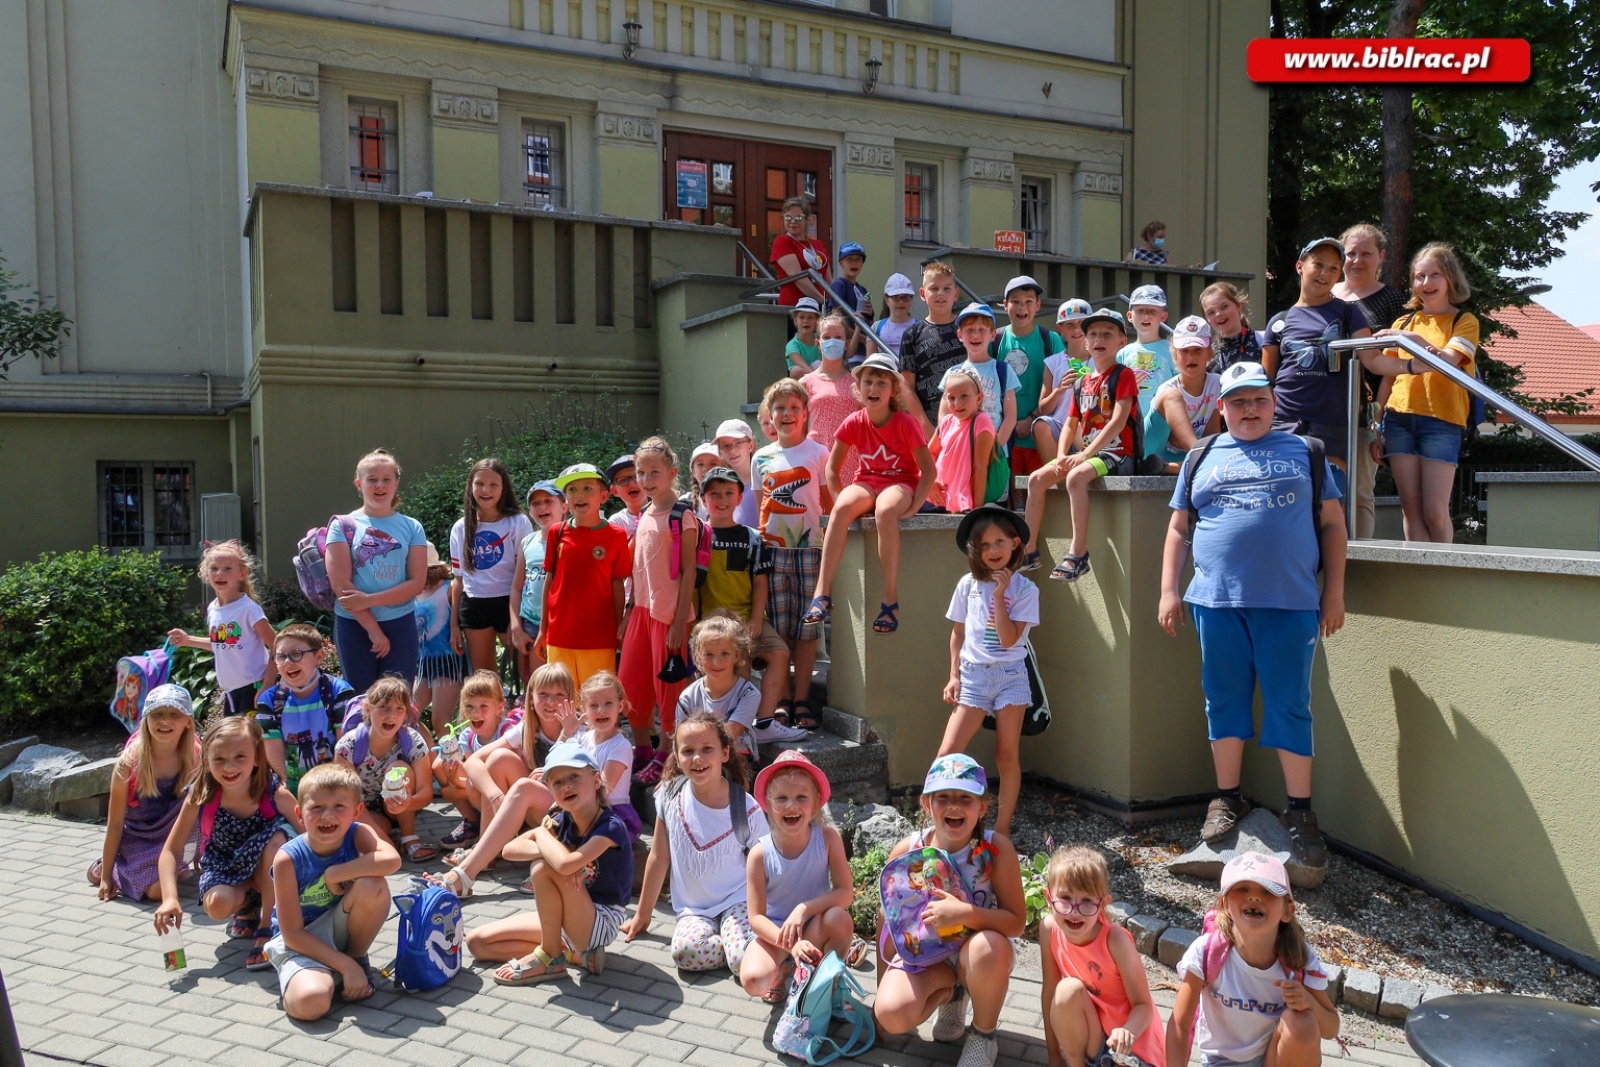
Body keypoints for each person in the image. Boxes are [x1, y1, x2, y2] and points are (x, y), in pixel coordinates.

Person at [1158, 361, 1348, 868]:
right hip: (1214, 603)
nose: (1250, 409)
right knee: (1223, 702)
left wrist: (1334, 594)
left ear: (1273, 404)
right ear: (1222, 408)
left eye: (1259, 400)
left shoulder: (1306, 453)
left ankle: (1301, 813)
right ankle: (1227, 798)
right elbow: (1179, 530)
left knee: (1290, 704)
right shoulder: (1203, 455)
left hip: (1290, 603)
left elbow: (1332, 525)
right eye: (1239, 401)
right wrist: (1168, 592)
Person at [874, 754, 1026, 1067]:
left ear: (982, 807)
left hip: (982, 953)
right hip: (929, 955)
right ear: (926, 804)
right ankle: (954, 994)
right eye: (943, 797)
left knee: (987, 949)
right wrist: (879, 989)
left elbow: (1016, 923)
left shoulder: (996, 851)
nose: (954, 806)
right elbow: (886, 922)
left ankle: (983, 1036)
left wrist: (965, 913)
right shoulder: (908, 851)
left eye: (965, 798)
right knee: (891, 1013)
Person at [464, 741, 635, 984]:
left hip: (600, 921)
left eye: (574, 776)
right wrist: (548, 846)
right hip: (566, 913)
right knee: (478, 943)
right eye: (556, 782)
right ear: (551, 792)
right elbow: (509, 850)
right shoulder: (560, 821)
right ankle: (573, 955)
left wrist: (539, 835)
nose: (566, 785)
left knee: (544, 867)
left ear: (596, 780)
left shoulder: (610, 826)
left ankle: (551, 956)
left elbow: (565, 865)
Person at [1262, 237, 1416, 501]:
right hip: (1284, 422)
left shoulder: (1347, 313)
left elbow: (1373, 360)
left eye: (1334, 268)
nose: (1325, 273)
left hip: (1331, 424)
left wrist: (1412, 365)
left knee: (1331, 503)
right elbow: (1266, 380)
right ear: (1300, 266)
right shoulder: (1279, 321)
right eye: (1318, 264)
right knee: (1284, 500)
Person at [622, 713, 771, 973]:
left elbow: (768, 866)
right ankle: (736, 945)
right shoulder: (669, 797)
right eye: (688, 751)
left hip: (738, 901)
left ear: (725, 753)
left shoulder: (745, 808)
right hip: (694, 910)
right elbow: (658, 857)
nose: (697, 758)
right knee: (686, 954)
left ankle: (741, 947)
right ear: (677, 758)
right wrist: (642, 916)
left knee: (742, 962)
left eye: (707, 749)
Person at [804, 353, 936, 636]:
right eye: (867, 382)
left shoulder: (905, 423)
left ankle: (890, 596)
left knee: (885, 511)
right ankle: (823, 592)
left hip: (900, 483)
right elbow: (831, 468)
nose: (873, 389)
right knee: (840, 510)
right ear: (859, 388)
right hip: (866, 482)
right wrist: (840, 498)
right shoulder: (854, 421)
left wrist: (914, 506)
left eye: (880, 383)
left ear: (893, 390)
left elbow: (928, 470)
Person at [1167, 852, 1337, 1067]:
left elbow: (1331, 1029)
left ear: (1288, 911)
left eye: (1268, 891)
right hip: (1222, 1062)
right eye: (1242, 888)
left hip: (1273, 1059)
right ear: (1224, 905)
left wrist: (1308, 1002)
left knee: (1302, 1023)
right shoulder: (1206, 952)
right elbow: (1180, 1025)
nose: (1254, 897)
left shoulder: (1298, 957)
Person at [154, 716, 296, 971]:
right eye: (219, 759)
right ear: (206, 762)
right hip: (227, 863)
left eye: (239, 757)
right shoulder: (202, 794)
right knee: (216, 906)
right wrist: (170, 899)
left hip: (271, 866)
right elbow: (170, 851)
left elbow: (311, 833)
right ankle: (248, 906)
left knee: (276, 843)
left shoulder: (273, 792)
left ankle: (268, 924)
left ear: (256, 758)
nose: (229, 767)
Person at [263, 763, 400, 1021]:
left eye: (339, 806)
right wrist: (342, 965)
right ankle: (337, 969)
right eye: (316, 807)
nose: (328, 815)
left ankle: (356, 959)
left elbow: (392, 860)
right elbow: (292, 934)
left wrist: (334, 874)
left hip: (338, 927)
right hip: (300, 942)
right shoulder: (287, 859)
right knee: (310, 1003)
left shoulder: (358, 833)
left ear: (357, 811)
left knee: (374, 885)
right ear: (299, 814)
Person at [938, 505, 1039, 837]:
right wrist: (953, 675)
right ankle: (939, 823)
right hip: (974, 677)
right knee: (948, 752)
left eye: (999, 542)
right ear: (975, 551)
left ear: (1014, 544)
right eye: (984, 545)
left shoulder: (1025, 590)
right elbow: (958, 633)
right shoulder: (966, 585)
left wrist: (999, 595)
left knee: (1006, 754)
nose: (993, 551)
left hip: (1011, 677)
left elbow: (1010, 639)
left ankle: (1002, 829)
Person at [1020, 309, 1141, 580]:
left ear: (1122, 340)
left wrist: (1085, 453)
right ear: (1085, 342)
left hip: (1117, 454)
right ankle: (1029, 551)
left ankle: (1078, 553)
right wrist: (1062, 454)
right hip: (1088, 453)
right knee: (1037, 479)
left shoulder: (1123, 375)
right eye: (1093, 334)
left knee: (1075, 478)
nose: (1099, 339)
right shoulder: (1082, 382)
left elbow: (1118, 422)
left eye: (1107, 334)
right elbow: (1071, 422)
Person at [434, 663, 571, 898]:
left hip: (568, 813)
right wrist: (496, 796)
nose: (551, 702)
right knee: (498, 759)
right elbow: (475, 761)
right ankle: (486, 854)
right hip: (540, 809)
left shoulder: (577, 729)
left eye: (559, 695)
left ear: (571, 700)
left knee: (525, 786)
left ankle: (468, 871)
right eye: (544, 695)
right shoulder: (527, 728)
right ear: (530, 698)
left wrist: (551, 776)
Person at [1375, 242, 1480, 544]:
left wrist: (1411, 338)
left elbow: (1447, 359)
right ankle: (1418, 577)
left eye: (1434, 275)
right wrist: (1375, 424)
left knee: (1435, 512)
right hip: (1398, 420)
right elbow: (1388, 378)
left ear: (1450, 278)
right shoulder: (1403, 322)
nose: (1426, 283)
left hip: (1442, 421)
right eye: (1419, 276)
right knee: (1411, 512)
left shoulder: (1464, 322)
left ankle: (1443, 575)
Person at [617, 437, 702, 785]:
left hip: (669, 617)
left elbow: (689, 573)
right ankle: (643, 751)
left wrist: (680, 621)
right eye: (640, 472)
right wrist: (626, 614)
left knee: (668, 691)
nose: (647, 478)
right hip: (640, 613)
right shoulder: (644, 514)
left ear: (672, 473)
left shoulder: (683, 517)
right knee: (631, 687)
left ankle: (667, 755)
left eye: (655, 471)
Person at [740, 750, 854, 1002]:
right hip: (774, 933)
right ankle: (787, 967)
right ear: (768, 805)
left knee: (840, 919)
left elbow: (845, 894)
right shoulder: (759, 854)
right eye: (781, 798)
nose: (791, 805)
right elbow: (756, 917)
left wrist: (803, 908)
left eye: (801, 797)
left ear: (815, 804)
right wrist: (791, 946)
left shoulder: (827, 838)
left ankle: (826, 981)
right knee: (752, 980)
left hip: (813, 926)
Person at [1038, 846, 1165, 1067]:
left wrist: (1128, 1031)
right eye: (1065, 898)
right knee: (1066, 991)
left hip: (1129, 1049)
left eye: (1086, 901)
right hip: (1093, 1040)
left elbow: (1143, 1006)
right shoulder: (1049, 929)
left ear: (1103, 903)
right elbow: (1049, 994)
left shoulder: (1115, 941)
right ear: (1049, 899)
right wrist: (1053, 1056)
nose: (1075, 911)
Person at [752, 380, 832, 729]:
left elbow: (828, 504)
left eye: (793, 408)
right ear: (770, 416)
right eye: (779, 409)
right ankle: (781, 699)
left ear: (805, 413)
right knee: (779, 631)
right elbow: (761, 509)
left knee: (807, 630)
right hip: (773, 554)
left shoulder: (818, 453)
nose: (786, 414)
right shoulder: (761, 457)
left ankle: (802, 701)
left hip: (811, 552)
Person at [695, 465, 797, 733]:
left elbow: (760, 581)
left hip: (749, 617)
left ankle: (763, 724)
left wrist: (755, 618)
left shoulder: (752, 538)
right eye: (714, 494)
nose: (722, 499)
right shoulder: (696, 536)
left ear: (740, 498)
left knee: (779, 652)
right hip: (713, 622)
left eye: (729, 492)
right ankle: (732, 730)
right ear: (702, 499)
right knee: (737, 666)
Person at [325, 448, 428, 692]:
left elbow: (416, 583)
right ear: (359, 484)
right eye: (372, 480)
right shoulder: (341, 525)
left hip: (400, 624)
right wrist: (373, 630)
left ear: (396, 484)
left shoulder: (412, 527)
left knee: (398, 701)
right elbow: (341, 586)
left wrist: (369, 599)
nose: (379, 486)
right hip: (355, 625)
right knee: (361, 702)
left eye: (386, 479)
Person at [1332, 223, 1409, 539]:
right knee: (1322, 488)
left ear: (1382, 257)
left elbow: (1391, 366)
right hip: (1325, 411)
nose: (1357, 261)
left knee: (1361, 491)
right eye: (1351, 253)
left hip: (1367, 411)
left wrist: (1377, 417)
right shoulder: (1326, 295)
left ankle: (1360, 563)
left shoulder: (1393, 301)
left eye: (1366, 253)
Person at [91, 683, 199, 903]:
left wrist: (203, 850)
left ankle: (170, 864)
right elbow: (115, 822)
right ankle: (109, 868)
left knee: (196, 798)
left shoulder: (198, 755)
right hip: (139, 834)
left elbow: (209, 810)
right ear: (146, 720)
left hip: (173, 829)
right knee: (157, 891)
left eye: (174, 714)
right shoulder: (129, 762)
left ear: (188, 722)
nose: (165, 721)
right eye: (157, 714)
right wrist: (105, 878)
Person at [534, 463, 632, 690]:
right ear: (566, 499)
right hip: (560, 636)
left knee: (597, 700)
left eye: (587, 488)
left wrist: (619, 628)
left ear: (604, 496)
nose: (579, 495)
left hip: (599, 638)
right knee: (561, 701)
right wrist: (543, 630)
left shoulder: (616, 536)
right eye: (572, 489)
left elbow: (617, 584)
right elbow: (549, 582)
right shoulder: (555, 532)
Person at [166, 540, 277, 715]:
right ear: (205, 573)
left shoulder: (248, 609)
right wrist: (187, 640)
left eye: (227, 569)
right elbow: (221, 644)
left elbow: (277, 646)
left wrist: (267, 684)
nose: (220, 574)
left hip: (253, 689)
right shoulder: (213, 608)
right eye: (214, 568)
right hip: (231, 693)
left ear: (242, 574)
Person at [334, 676, 436, 863]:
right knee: (380, 835)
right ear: (367, 709)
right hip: (363, 808)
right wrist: (384, 843)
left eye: (399, 709)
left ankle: (409, 837)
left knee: (399, 769)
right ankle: (388, 837)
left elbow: (426, 792)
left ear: (406, 713)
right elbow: (347, 798)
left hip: (403, 806)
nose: (392, 715)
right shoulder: (347, 746)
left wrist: (407, 803)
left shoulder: (413, 741)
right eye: (384, 707)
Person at [448, 458, 533, 675]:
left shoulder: (518, 522)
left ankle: (528, 710)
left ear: (503, 488)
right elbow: (458, 580)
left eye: (493, 484)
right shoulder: (460, 528)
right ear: (471, 486)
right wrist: (454, 624)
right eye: (479, 484)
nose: (486, 490)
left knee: (527, 671)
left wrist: (520, 616)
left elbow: (526, 574)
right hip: (474, 605)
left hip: (510, 603)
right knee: (484, 676)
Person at [255, 624, 353, 794]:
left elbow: (346, 746)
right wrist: (288, 793)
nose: (288, 663)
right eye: (280, 657)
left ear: (319, 656)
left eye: (296, 654)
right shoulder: (270, 700)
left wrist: (335, 791)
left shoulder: (338, 691)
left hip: (335, 785)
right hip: (293, 791)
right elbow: (273, 752)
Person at [432, 668, 514, 849]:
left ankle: (497, 832)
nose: (476, 713)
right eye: (469, 706)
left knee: (472, 782)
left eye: (483, 706)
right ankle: (473, 824)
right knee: (439, 765)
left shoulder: (507, 731)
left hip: (505, 791)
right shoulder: (467, 736)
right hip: (481, 789)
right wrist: (452, 776)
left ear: (499, 707)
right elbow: (472, 780)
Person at [940, 303, 1017, 483]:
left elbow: (1010, 416)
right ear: (960, 335)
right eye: (969, 330)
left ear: (992, 335)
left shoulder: (1002, 370)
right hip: (960, 454)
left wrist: (994, 448)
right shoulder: (952, 373)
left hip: (994, 455)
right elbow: (944, 418)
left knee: (992, 504)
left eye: (981, 330)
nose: (975, 335)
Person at [676, 613, 764, 765]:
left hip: (737, 759)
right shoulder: (687, 697)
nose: (717, 662)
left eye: (725, 653)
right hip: (699, 759)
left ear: (737, 655)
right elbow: (682, 739)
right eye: (709, 654)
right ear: (697, 657)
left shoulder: (748, 694)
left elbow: (729, 735)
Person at [566, 670, 642, 840]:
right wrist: (566, 732)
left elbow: (604, 789)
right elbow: (558, 764)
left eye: (608, 703)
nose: (601, 710)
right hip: (584, 806)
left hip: (612, 814)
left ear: (620, 706)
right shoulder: (582, 738)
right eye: (593, 705)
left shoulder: (620, 745)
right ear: (583, 709)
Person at [992, 276, 1065, 455]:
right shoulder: (994, 340)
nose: (1022, 307)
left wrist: (1032, 418)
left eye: (1028, 302)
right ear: (1004, 304)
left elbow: (1061, 388)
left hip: (1041, 440)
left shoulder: (1050, 340)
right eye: (1015, 302)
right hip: (1002, 439)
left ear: (1038, 305)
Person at [1145, 315, 1223, 472]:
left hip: (1180, 456)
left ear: (1209, 353)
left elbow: (1211, 431)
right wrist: (1204, 454)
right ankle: (1199, 458)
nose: (1191, 357)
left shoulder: (1217, 383)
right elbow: (1173, 439)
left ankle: (1169, 468)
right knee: (1170, 395)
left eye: (1198, 350)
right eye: (1184, 351)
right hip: (1150, 449)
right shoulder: (1168, 389)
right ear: (1175, 356)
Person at [509, 479, 569, 685]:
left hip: (565, 626)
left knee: (567, 685)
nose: (542, 507)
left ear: (564, 506)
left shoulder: (573, 541)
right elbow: (516, 588)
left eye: (547, 501)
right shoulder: (528, 542)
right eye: (535, 503)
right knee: (538, 687)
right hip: (532, 626)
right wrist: (516, 627)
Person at [899, 261, 967, 440]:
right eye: (934, 288)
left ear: (956, 294)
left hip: (966, 426)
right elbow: (907, 387)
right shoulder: (911, 335)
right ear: (922, 294)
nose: (940, 294)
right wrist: (925, 427)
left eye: (946, 289)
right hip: (928, 430)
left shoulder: (968, 330)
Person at [801, 310, 863, 487]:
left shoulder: (857, 382)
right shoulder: (805, 382)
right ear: (818, 343)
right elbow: (800, 428)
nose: (832, 341)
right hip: (815, 457)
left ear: (846, 344)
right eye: (827, 337)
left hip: (851, 459)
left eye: (838, 337)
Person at [414, 543, 467, 735]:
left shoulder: (449, 588)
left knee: (440, 720)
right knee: (408, 717)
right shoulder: (414, 592)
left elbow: (459, 623)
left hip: (447, 661)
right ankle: (425, 755)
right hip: (424, 663)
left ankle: (452, 761)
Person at [929, 366, 997, 512]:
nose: (957, 403)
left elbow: (980, 467)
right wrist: (930, 482)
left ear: (979, 398)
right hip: (937, 497)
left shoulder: (981, 421)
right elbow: (929, 453)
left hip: (962, 501)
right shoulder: (946, 421)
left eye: (964, 396)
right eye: (951, 398)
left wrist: (977, 510)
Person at [1032, 299, 1093, 459]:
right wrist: (1059, 390)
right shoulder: (1053, 362)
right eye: (1069, 325)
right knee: (1040, 425)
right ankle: (1056, 475)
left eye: (1081, 323)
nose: (1076, 329)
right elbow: (1043, 409)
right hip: (1060, 428)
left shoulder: (1102, 358)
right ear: (1061, 329)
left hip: (1092, 428)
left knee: (1080, 424)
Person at [1117, 285, 1175, 420]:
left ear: (1164, 316)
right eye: (1140, 310)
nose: (1146, 315)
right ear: (1130, 316)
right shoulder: (1122, 354)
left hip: (1162, 421)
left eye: (1152, 311)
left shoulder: (1172, 350)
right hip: (1130, 421)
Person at [769, 195, 831, 308]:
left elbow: (828, 280)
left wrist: (836, 300)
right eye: (788, 218)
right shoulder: (782, 242)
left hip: (821, 307)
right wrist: (824, 301)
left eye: (798, 218)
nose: (793, 221)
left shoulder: (818, 244)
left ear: (807, 219)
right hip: (796, 307)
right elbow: (798, 278)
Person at [1200, 281, 1262, 374]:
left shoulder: (1263, 342)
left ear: (1238, 306)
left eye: (1224, 307)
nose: (1218, 314)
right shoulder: (1208, 355)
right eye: (1211, 312)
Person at [830, 241, 874, 362]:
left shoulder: (863, 289)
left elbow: (869, 321)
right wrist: (861, 338)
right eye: (849, 259)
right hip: (849, 349)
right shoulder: (839, 285)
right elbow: (836, 320)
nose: (854, 263)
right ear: (841, 263)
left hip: (865, 348)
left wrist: (869, 313)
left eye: (857, 259)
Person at [714, 418, 762, 528]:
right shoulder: (719, 488)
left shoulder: (766, 482)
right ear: (721, 451)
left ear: (750, 446)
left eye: (738, 443)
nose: (732, 450)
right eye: (725, 445)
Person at [869, 272, 918, 363]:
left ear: (911, 300)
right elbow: (870, 362)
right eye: (895, 297)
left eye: (905, 297)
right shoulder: (876, 328)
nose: (901, 302)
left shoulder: (919, 328)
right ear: (887, 300)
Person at [605, 453, 648, 539]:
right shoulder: (617, 522)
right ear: (614, 490)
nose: (632, 482)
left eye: (636, 476)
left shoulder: (665, 511)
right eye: (623, 480)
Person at [786, 297, 824, 378]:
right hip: (801, 383)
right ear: (795, 321)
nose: (806, 320)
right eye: (802, 317)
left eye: (810, 317)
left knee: (818, 364)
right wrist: (817, 378)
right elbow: (803, 367)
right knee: (796, 370)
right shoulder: (792, 344)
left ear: (816, 321)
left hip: (818, 376)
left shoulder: (820, 340)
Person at [684, 441, 721, 520]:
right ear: (693, 471)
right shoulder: (685, 503)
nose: (706, 469)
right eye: (700, 464)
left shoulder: (733, 499)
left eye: (713, 464)